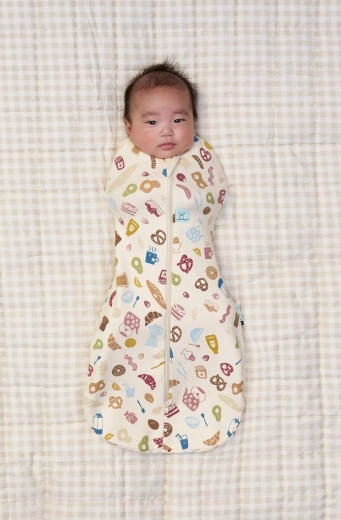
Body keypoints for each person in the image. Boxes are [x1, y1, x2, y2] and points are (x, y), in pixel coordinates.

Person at [84, 61, 245, 453]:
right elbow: (123, 202)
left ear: (194, 121)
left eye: (179, 119)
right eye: (152, 122)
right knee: (126, 341)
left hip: (199, 289)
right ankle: (124, 416)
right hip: (136, 289)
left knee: (211, 337)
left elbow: (210, 203)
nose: (168, 130)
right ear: (128, 128)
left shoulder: (200, 163)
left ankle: (206, 414)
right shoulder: (129, 165)